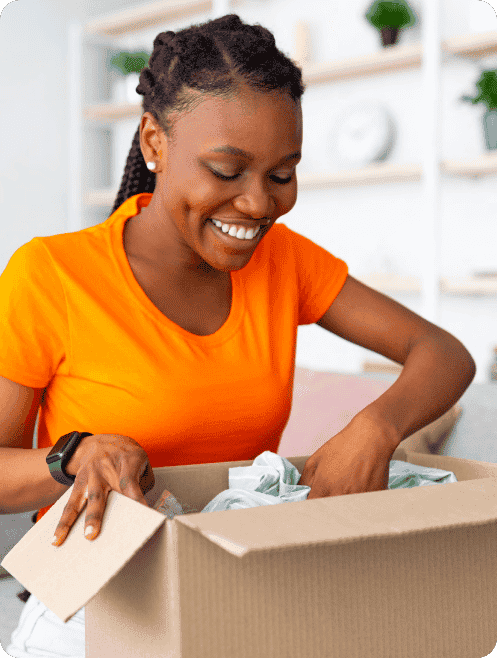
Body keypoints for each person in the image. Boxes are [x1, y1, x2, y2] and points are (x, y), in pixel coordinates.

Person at [1, 14, 475, 658]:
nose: (257, 204)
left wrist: (376, 426)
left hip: (240, 580)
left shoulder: (284, 262)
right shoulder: (52, 274)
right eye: (226, 170)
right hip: (102, 593)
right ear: (153, 142)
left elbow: (443, 354)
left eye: (282, 174)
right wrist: (75, 454)